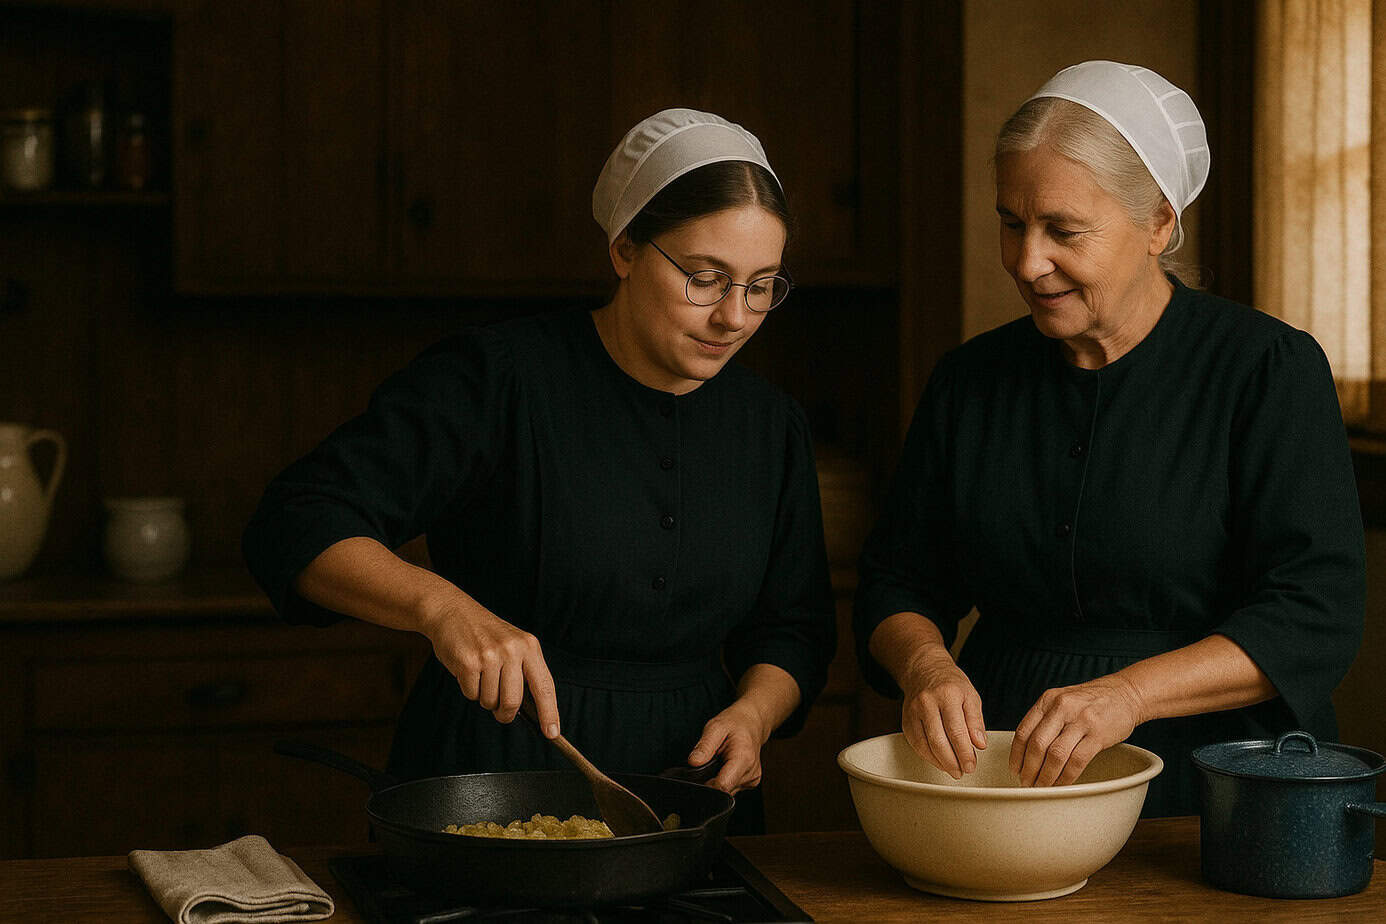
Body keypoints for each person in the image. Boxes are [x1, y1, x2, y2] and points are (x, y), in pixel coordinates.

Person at [243, 108, 835, 832]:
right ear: (624, 249)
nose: (734, 317)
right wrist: (442, 608)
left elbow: (793, 628)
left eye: (761, 285)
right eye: (706, 279)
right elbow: (296, 519)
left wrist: (755, 714)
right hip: (490, 784)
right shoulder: (495, 380)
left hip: (694, 802)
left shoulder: (770, 425)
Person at [854, 61, 1364, 816]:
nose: (1028, 263)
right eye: (1011, 222)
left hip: (1217, 782)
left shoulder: (1266, 370)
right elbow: (898, 581)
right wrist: (927, 663)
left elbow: (1311, 613)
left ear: (1159, 223)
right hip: (1006, 773)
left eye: (1064, 230)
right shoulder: (970, 381)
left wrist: (1130, 693)